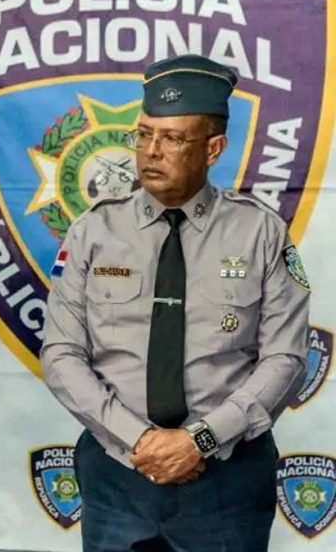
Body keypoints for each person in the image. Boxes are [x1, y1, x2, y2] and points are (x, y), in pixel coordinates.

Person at [41, 54, 309, 552]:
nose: (151, 152)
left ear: (213, 148)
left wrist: (200, 439)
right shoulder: (93, 231)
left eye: (172, 139)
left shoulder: (260, 233)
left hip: (226, 481)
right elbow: (60, 353)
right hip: (118, 475)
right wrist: (139, 440)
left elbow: (285, 357)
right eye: (143, 135)